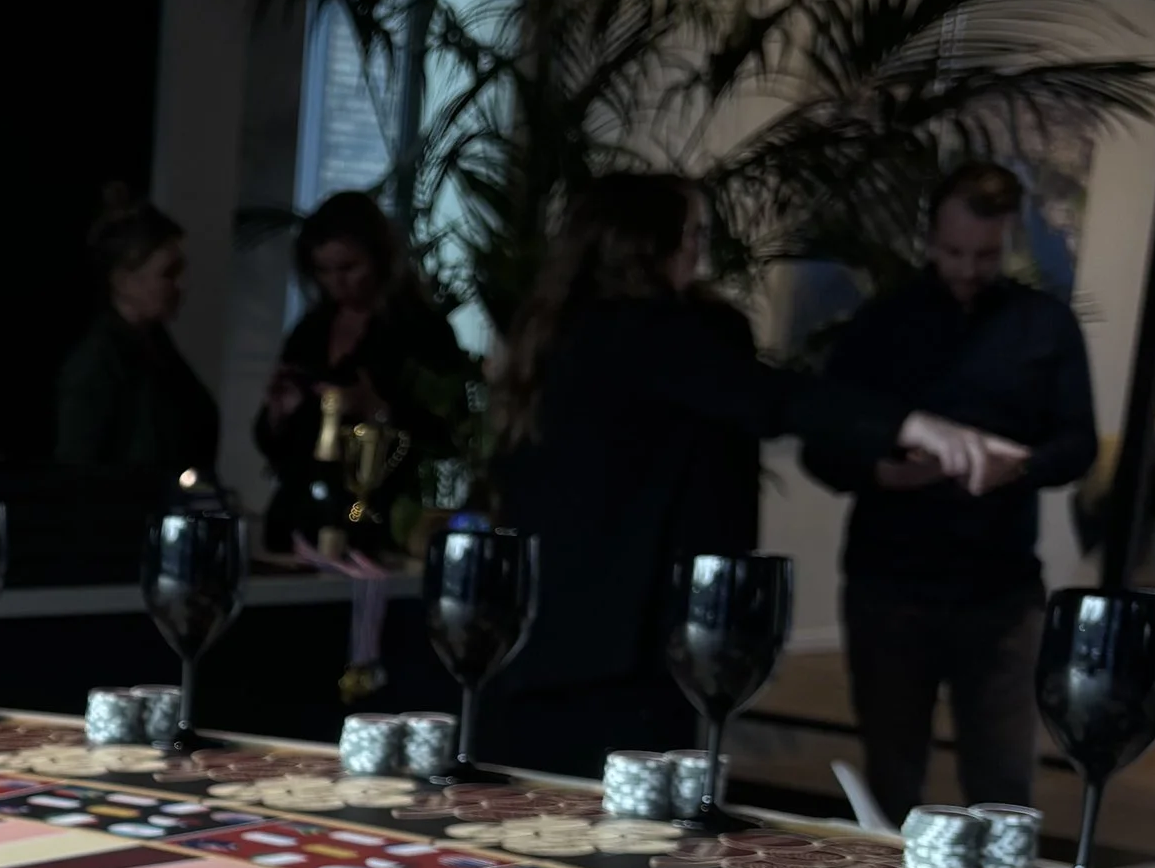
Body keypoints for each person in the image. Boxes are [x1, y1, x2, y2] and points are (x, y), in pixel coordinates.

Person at [483, 173, 1018, 776]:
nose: (700, 250)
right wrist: (915, 427)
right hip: (612, 643)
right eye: (690, 234)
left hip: (572, 625)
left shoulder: (565, 329)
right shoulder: (638, 331)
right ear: (645, 243)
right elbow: (771, 397)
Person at [803, 161, 1091, 820]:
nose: (966, 268)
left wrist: (1019, 466)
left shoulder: (1044, 324)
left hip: (1000, 589)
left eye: (985, 254)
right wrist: (881, 471)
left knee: (1002, 782)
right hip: (889, 584)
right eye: (953, 251)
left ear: (1009, 237)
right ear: (930, 237)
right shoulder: (882, 322)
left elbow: (1076, 442)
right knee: (890, 778)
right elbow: (824, 442)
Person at [257, 191, 467, 550]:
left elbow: (450, 432)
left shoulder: (418, 329)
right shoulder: (312, 330)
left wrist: (378, 409)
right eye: (322, 270)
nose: (336, 283)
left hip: (378, 516)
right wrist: (279, 414)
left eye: (348, 268)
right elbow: (272, 443)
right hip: (300, 513)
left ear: (379, 259)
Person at [52, 191, 220, 486]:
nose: (181, 285)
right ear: (123, 280)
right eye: (168, 273)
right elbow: (77, 472)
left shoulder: (157, 349)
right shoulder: (98, 362)